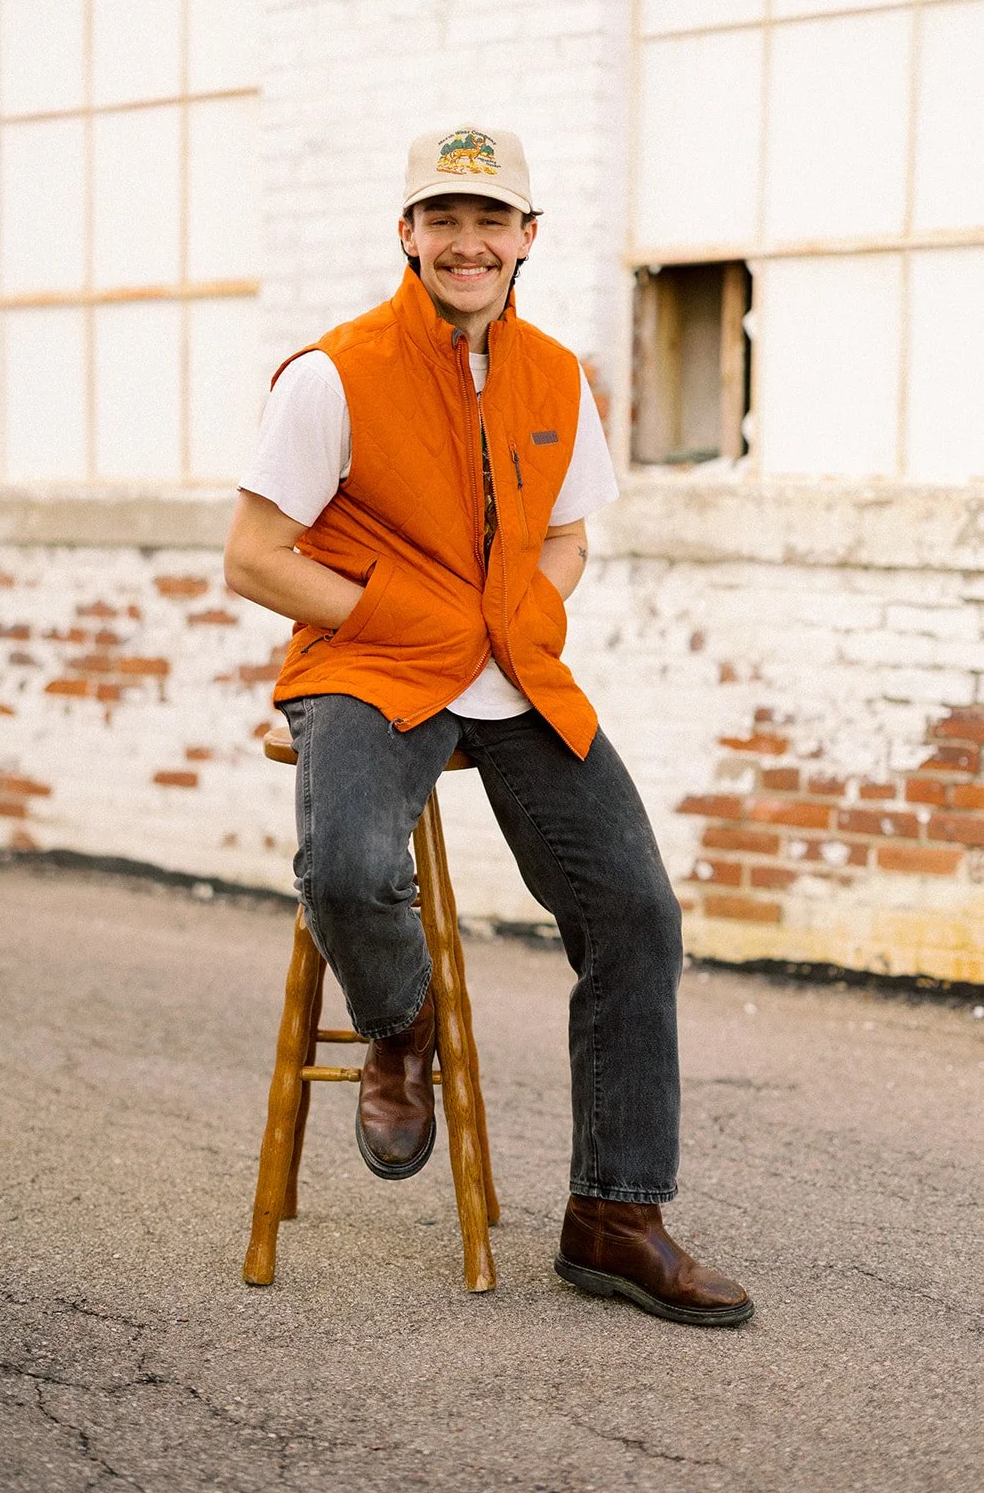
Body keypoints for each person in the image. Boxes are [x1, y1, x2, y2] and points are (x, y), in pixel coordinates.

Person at [224, 126, 753, 1327]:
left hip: (514, 670)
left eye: (490, 219)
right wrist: (402, 614)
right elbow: (254, 556)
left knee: (634, 911)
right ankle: (399, 1027)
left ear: (527, 237)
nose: (468, 242)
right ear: (406, 233)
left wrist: (530, 602)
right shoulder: (333, 372)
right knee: (352, 869)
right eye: (442, 218)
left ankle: (614, 1216)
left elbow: (565, 531)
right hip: (368, 664)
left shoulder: (557, 373)